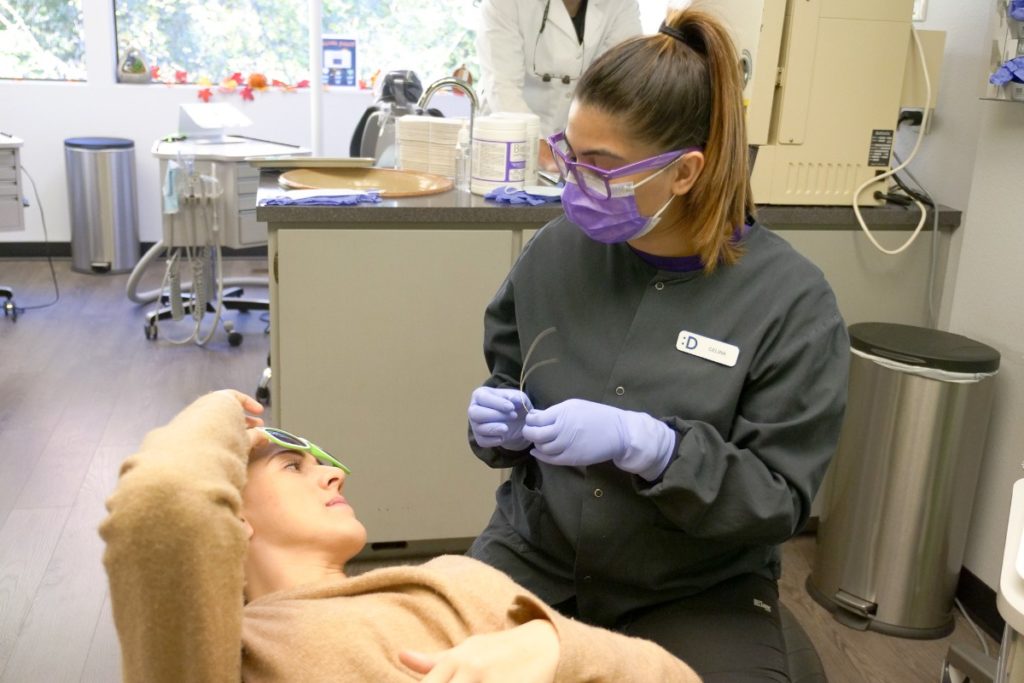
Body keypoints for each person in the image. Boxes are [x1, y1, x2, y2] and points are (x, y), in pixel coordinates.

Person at [465, 7, 849, 682]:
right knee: (417, 657)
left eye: (602, 166)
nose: (575, 182)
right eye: (570, 156)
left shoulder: (792, 302)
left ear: (684, 172)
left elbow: (777, 496)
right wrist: (498, 417)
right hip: (537, 552)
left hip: (693, 585)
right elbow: (511, 369)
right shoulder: (555, 252)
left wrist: (656, 447)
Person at [99, 390, 700, 682]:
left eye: (321, 462)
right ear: (233, 519)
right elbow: (161, 505)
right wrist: (223, 414)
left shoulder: (457, 581)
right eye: (292, 466)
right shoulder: (221, 651)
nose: (334, 471)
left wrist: (552, 650)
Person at [475, 0, 642, 170]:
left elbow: (619, 80)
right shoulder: (504, 4)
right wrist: (545, 154)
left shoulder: (621, 4)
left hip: (574, 147)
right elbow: (503, 88)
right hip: (507, 143)